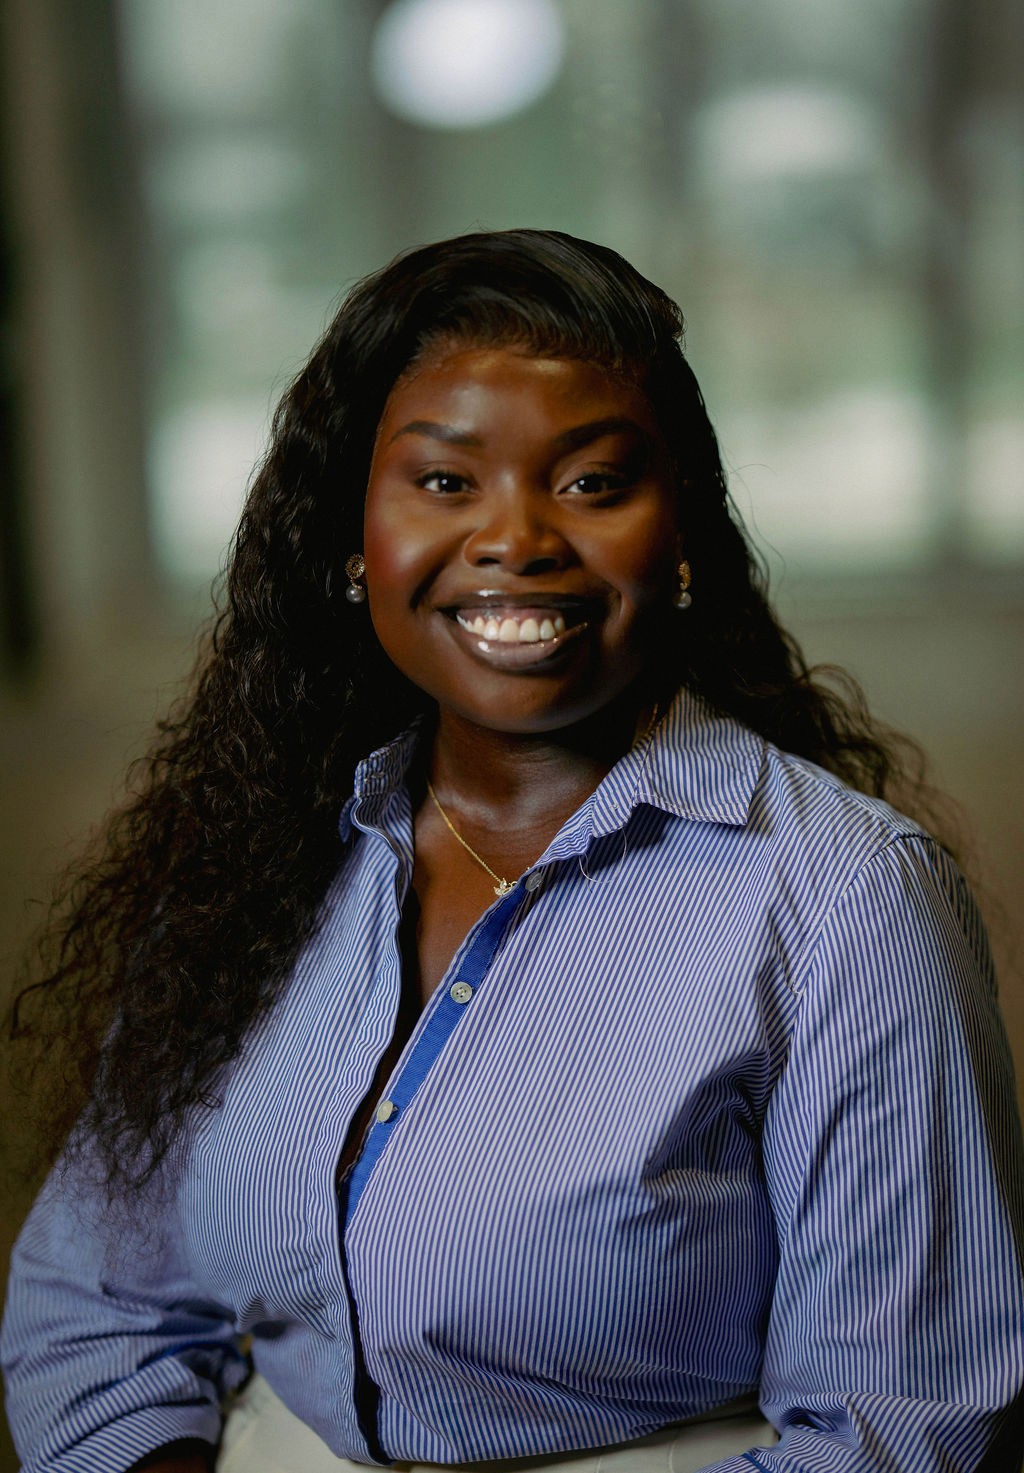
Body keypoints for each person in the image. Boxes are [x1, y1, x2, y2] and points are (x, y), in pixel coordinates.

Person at [3, 229, 1023, 1473]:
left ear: (684, 537)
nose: (518, 539)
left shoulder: (843, 901)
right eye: (443, 483)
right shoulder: (254, 855)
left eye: (593, 483)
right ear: (350, 540)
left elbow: (897, 1432)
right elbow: (97, 1302)